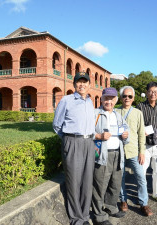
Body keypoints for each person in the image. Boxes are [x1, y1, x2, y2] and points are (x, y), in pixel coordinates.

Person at [53, 72, 95, 225]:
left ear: (89, 84)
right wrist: (68, 141)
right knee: (74, 181)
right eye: (79, 82)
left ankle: (84, 215)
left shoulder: (90, 102)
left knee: (86, 181)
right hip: (73, 142)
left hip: (88, 143)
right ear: (74, 84)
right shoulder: (67, 100)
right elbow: (57, 125)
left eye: (85, 82)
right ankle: (76, 219)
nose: (82, 85)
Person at [92, 87, 129, 225]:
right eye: (106, 98)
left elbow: (127, 133)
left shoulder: (118, 115)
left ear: (116, 100)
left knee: (115, 183)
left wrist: (126, 135)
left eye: (111, 98)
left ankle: (111, 207)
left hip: (117, 154)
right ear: (101, 99)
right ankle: (99, 215)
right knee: (100, 184)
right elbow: (86, 132)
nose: (109, 101)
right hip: (102, 154)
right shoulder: (95, 113)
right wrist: (99, 136)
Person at [116, 86, 153, 216]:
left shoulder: (138, 113)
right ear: (121, 97)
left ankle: (144, 204)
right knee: (120, 177)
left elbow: (141, 134)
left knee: (141, 178)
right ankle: (123, 200)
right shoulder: (115, 112)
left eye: (130, 96)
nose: (127, 98)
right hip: (118, 150)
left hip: (133, 151)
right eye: (125, 96)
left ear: (133, 98)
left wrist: (142, 151)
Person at [136, 82, 157, 204]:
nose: (153, 94)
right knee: (142, 171)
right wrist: (141, 131)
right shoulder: (140, 106)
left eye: (155, 92)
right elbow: (136, 123)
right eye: (150, 91)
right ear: (147, 92)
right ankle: (142, 196)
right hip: (144, 144)